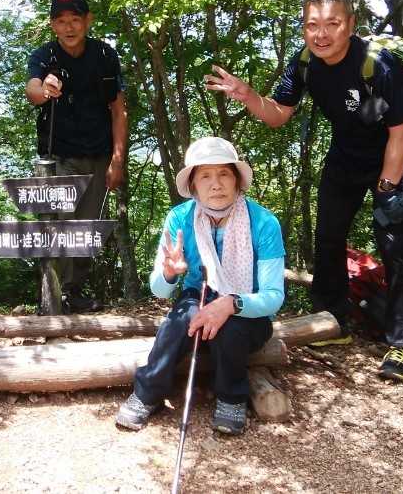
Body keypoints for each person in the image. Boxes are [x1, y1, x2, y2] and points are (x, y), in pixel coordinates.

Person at [204, 0, 403, 382]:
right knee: (328, 237)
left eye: (332, 24)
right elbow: (278, 114)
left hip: (394, 158)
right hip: (346, 157)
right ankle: (332, 319)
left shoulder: (379, 65)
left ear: (350, 25)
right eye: (312, 25)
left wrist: (388, 189)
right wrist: (247, 94)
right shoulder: (306, 62)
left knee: (395, 246)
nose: (321, 34)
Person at [115, 137, 285, 435]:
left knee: (231, 327)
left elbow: (273, 296)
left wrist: (231, 303)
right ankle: (147, 394)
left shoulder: (263, 223)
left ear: (237, 180)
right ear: (193, 185)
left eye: (224, 174)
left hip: (248, 308)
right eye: (205, 176)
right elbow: (159, 291)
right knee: (180, 320)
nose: (215, 184)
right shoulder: (180, 218)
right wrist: (169, 273)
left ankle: (231, 397)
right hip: (199, 294)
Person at [24, 0, 127, 312]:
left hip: (98, 153)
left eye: (75, 20)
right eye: (61, 21)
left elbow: (118, 110)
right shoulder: (45, 56)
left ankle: (73, 292)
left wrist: (117, 160)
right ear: (52, 25)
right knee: (58, 223)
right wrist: (46, 89)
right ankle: (51, 295)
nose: (69, 27)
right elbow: (32, 91)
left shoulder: (105, 55)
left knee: (87, 227)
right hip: (59, 154)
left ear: (88, 21)